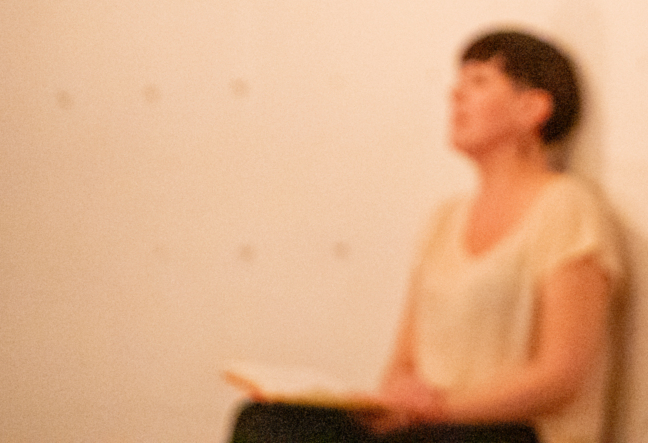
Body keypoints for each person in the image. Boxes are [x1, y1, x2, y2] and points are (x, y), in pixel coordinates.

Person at [230, 30, 622, 443]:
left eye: (479, 82)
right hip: (431, 427)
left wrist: (442, 410)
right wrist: (399, 400)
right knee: (265, 422)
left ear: (533, 107)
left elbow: (562, 375)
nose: (455, 95)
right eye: (459, 82)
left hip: (509, 432)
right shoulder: (445, 218)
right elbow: (402, 364)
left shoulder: (566, 206)